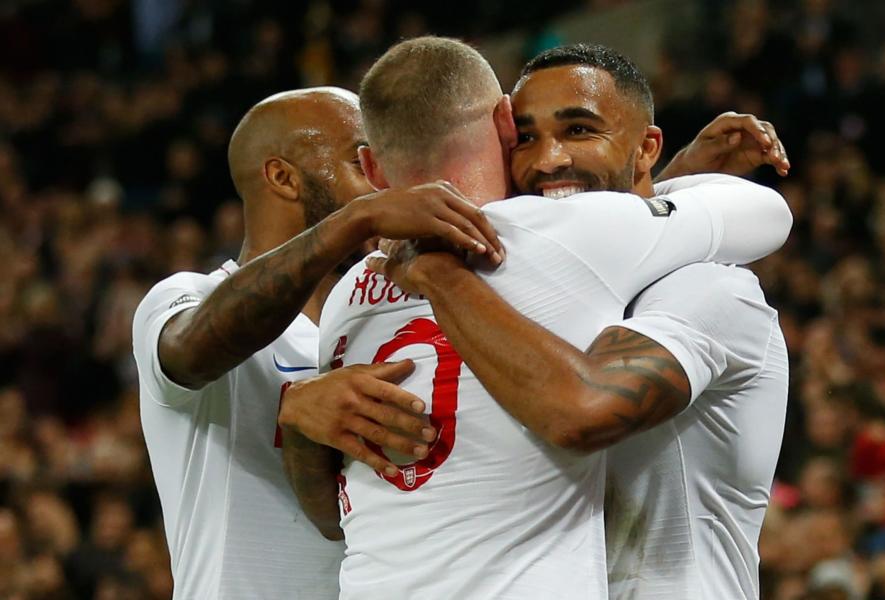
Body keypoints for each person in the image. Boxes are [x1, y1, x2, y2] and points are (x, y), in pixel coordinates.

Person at [293, 36, 791, 599]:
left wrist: (436, 274)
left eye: (579, 130)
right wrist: (301, 418)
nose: (548, 158)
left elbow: (580, 411)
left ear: (646, 147)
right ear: (503, 132)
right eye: (526, 137)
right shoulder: (539, 262)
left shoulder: (712, 288)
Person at [131, 87, 501, 599]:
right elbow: (190, 351)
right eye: (360, 160)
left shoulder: (391, 315)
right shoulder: (188, 295)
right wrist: (358, 219)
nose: (383, 183)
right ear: (283, 177)